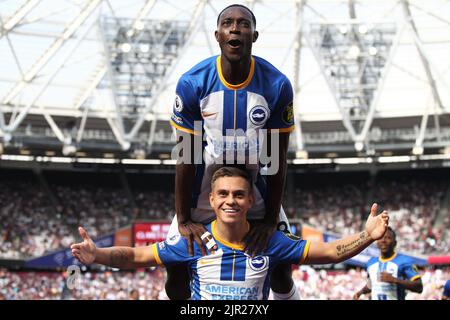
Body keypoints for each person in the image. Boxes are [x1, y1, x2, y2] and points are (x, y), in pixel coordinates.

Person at [71, 167, 390, 300]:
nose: (230, 200)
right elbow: (137, 256)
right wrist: (96, 255)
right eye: (222, 194)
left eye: (239, 194)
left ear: (251, 200)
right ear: (211, 200)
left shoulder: (270, 242)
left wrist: (368, 235)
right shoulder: (194, 240)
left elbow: (331, 252)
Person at [168, 3, 297, 300]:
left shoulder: (277, 85)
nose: (235, 28)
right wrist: (184, 217)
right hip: (204, 194)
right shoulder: (193, 83)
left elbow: (277, 157)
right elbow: (186, 156)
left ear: (254, 35)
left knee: (281, 268)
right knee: (176, 267)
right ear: (218, 35)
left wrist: (269, 219)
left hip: (256, 193)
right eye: (228, 23)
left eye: (243, 24)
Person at [353, 227, 423, 300]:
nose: (383, 240)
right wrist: (360, 292)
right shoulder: (371, 262)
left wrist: (394, 280)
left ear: (395, 243)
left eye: (388, 238)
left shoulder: (405, 261)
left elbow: (419, 287)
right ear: (377, 242)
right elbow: (372, 283)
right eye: (381, 238)